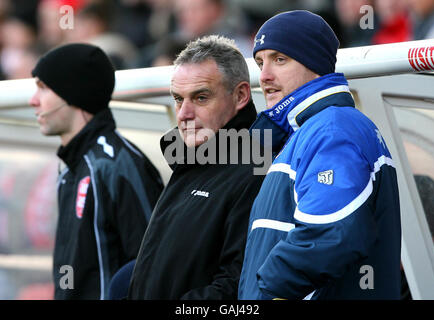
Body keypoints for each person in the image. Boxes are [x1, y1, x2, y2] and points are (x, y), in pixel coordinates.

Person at [238, 10, 402, 300]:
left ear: (313, 62)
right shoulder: (309, 131)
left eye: (279, 59)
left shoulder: (332, 129)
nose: (264, 76)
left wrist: (267, 290)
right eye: (260, 62)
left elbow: (331, 233)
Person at [127, 35, 265, 299]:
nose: (183, 114)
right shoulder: (190, 158)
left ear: (240, 95)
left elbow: (238, 286)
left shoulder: (257, 169)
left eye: (201, 98)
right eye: (178, 99)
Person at [29, 43, 164, 299]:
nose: (33, 100)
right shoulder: (71, 167)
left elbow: (151, 266)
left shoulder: (116, 164)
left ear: (73, 93)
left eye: (43, 88)